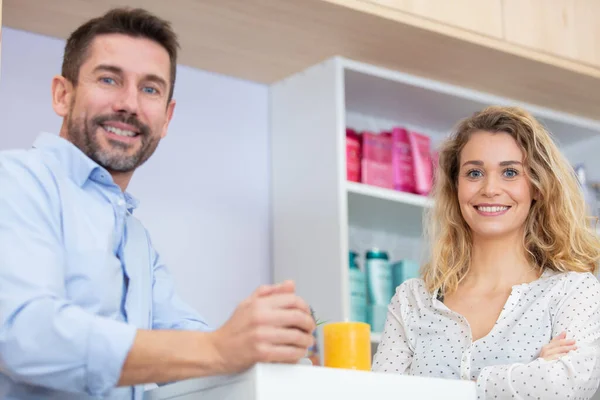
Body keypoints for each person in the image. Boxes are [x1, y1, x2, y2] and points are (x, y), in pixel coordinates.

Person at [0, 7, 315, 400]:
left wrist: (273, 347)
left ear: (166, 118)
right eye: (109, 79)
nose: (129, 104)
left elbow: (188, 340)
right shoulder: (14, 180)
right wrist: (219, 348)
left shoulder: (134, 238)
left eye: (150, 89)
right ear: (63, 95)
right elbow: (24, 334)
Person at [372, 106, 600, 399]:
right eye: (475, 173)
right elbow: (378, 394)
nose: (490, 189)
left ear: (538, 187)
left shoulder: (573, 291)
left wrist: (459, 385)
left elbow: (563, 385)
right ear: (456, 186)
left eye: (510, 172)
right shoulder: (412, 301)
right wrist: (528, 372)